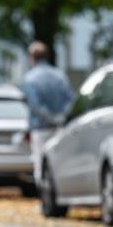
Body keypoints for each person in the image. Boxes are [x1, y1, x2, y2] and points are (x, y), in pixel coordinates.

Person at [21, 41, 74, 188]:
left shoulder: (30, 78)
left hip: (40, 128)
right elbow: (70, 99)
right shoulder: (60, 75)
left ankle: (46, 198)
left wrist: (49, 118)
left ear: (32, 57)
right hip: (60, 128)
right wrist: (60, 117)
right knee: (59, 162)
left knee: (40, 164)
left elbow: (36, 105)